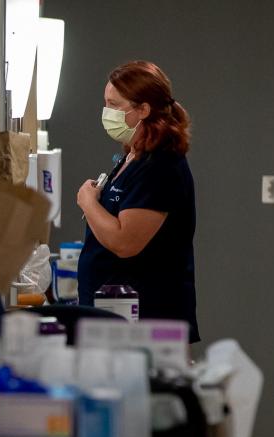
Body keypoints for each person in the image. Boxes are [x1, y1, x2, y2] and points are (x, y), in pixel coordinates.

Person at [76, 60, 200, 343]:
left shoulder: (161, 166)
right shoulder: (133, 157)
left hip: (145, 321)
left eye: (115, 105)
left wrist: (88, 202)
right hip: (116, 314)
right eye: (105, 103)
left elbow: (125, 242)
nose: (107, 113)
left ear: (143, 109)